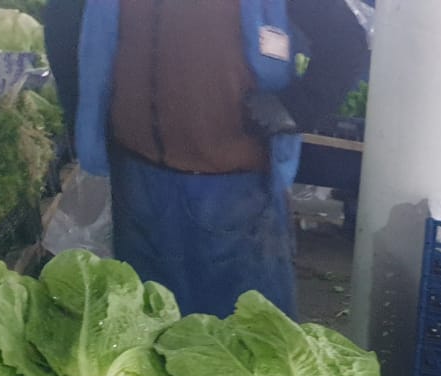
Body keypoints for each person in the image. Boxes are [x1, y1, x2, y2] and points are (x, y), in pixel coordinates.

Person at [64, 0, 368, 319]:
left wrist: (297, 106)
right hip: (138, 181)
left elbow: (345, 41)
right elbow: (68, 28)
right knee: (148, 323)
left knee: (244, 327)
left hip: (234, 188)